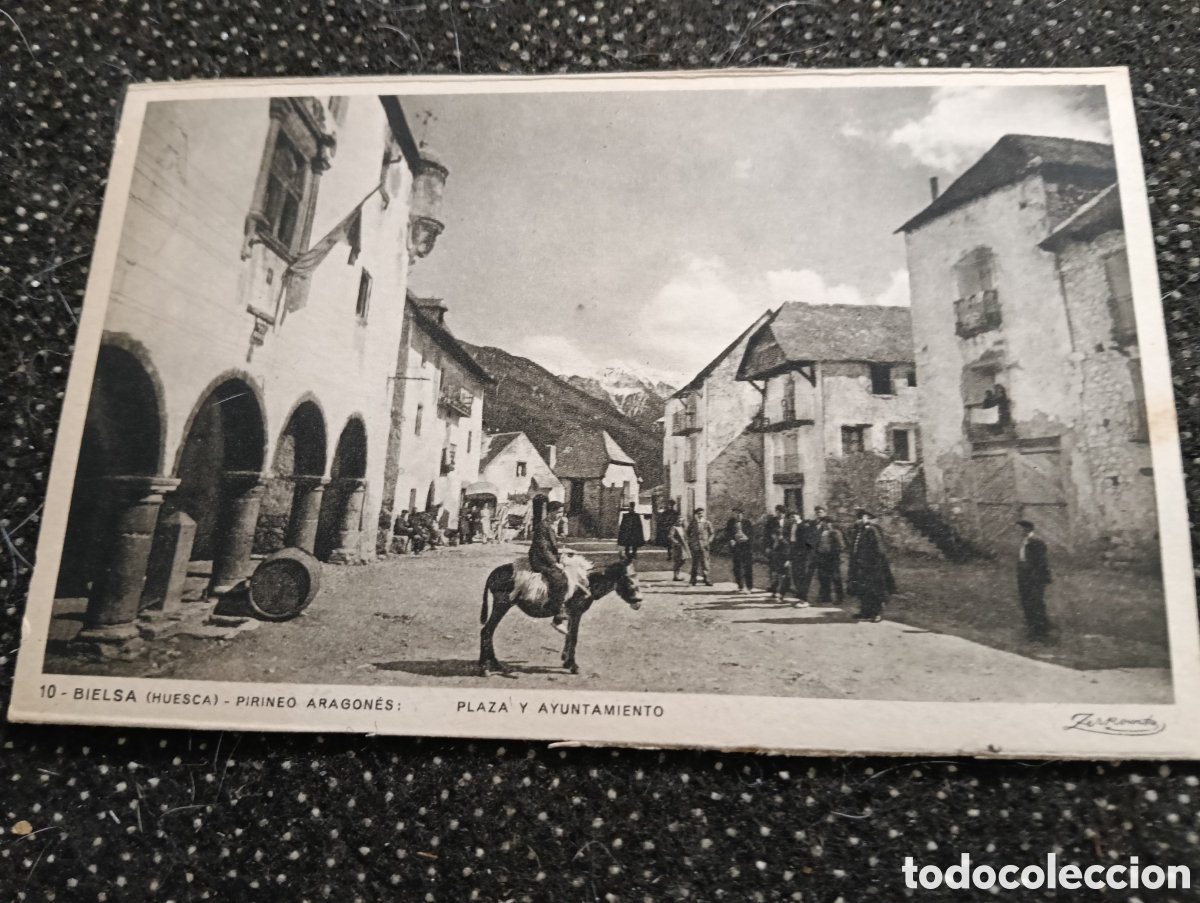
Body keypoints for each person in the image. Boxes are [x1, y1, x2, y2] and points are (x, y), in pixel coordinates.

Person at [530, 500, 571, 635]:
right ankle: (557, 618)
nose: (560, 515)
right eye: (558, 512)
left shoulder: (550, 525)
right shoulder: (543, 526)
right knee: (560, 579)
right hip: (539, 560)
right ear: (551, 512)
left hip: (546, 558)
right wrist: (555, 563)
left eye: (561, 512)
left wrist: (562, 554)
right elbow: (543, 549)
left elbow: (551, 547)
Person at [847, 509, 895, 622]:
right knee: (862, 588)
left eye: (861, 517)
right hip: (859, 565)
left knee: (875, 589)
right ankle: (865, 611)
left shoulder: (872, 530)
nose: (858, 520)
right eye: (857, 518)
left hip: (872, 565)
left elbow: (879, 549)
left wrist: (873, 563)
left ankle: (876, 613)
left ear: (867, 517)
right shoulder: (857, 531)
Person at [1016, 519, 1053, 641]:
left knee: (1035, 603)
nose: (1019, 531)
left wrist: (1034, 576)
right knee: (1027, 602)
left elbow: (1040, 562)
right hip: (1024, 577)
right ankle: (1033, 630)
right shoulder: (1025, 541)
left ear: (1027, 529)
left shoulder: (1036, 542)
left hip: (1033, 578)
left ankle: (1040, 632)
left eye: (1021, 528)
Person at [789, 506, 824, 605]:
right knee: (797, 576)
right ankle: (802, 596)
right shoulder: (795, 526)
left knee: (805, 577)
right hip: (799, 554)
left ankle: (804, 599)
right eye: (790, 517)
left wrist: (806, 552)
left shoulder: (805, 526)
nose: (792, 519)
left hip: (807, 555)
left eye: (793, 516)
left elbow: (809, 541)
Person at [814, 515, 845, 604]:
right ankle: (826, 597)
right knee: (823, 578)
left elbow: (841, 546)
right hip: (822, 557)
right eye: (823, 522)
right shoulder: (822, 532)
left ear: (829, 523)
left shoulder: (835, 532)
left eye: (825, 522)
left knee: (836, 578)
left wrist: (838, 556)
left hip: (832, 558)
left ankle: (839, 597)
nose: (823, 524)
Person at [725, 505, 755, 593]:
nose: (738, 516)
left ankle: (749, 587)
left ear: (742, 514)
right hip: (736, 547)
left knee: (747, 567)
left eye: (739, 514)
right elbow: (727, 533)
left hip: (746, 547)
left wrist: (747, 538)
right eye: (736, 514)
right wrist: (731, 539)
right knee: (737, 567)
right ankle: (740, 586)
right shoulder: (730, 523)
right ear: (733, 515)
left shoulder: (747, 523)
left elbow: (752, 535)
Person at [766, 510, 792, 601]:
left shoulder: (784, 543)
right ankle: (775, 592)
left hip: (782, 562)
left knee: (782, 578)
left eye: (774, 536)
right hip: (776, 562)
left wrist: (787, 561)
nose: (772, 537)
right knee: (775, 577)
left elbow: (786, 553)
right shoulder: (775, 542)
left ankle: (781, 595)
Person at [687, 507, 714, 586]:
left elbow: (712, 533)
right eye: (698, 513)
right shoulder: (693, 523)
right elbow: (688, 533)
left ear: (703, 514)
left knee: (705, 563)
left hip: (704, 546)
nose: (700, 515)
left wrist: (709, 541)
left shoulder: (707, 523)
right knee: (695, 563)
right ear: (696, 514)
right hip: (695, 546)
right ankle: (693, 579)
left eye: (701, 513)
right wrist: (691, 541)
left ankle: (706, 579)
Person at [668, 516, 691, 581]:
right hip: (677, 546)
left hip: (684, 545)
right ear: (676, 521)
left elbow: (685, 536)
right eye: (679, 521)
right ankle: (676, 576)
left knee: (684, 559)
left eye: (681, 521)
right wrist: (676, 542)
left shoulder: (682, 528)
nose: (680, 522)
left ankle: (676, 574)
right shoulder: (674, 528)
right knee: (677, 560)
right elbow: (670, 536)